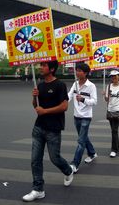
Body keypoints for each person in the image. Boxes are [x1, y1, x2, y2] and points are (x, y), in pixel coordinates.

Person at [22, 61, 73, 202]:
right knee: (35, 160)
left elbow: (64, 106)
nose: (40, 67)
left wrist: (45, 111)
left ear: (51, 69)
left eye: (44, 65)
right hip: (38, 127)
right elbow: (36, 107)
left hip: (54, 128)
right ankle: (38, 189)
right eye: (41, 65)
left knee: (54, 158)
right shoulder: (40, 85)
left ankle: (68, 170)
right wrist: (34, 97)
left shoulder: (60, 85)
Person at [68, 62, 98, 173]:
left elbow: (94, 102)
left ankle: (74, 164)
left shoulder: (91, 86)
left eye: (79, 70)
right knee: (84, 137)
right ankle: (92, 153)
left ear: (85, 73)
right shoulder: (75, 84)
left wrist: (83, 99)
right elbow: (69, 96)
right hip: (76, 116)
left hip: (86, 117)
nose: (77, 72)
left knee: (81, 141)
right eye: (77, 70)